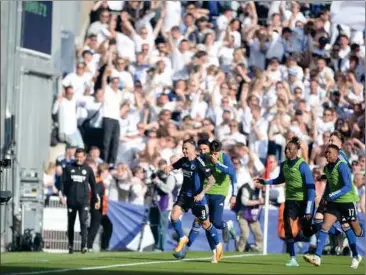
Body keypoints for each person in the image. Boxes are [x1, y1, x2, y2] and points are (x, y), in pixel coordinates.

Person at [255, 137, 315, 267]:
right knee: (288, 227)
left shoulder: (303, 165)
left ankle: (327, 230)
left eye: (290, 149)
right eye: (286, 149)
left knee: (307, 231)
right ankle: (293, 258)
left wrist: (309, 208)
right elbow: (280, 179)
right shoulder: (284, 165)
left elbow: (311, 187)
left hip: (304, 201)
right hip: (291, 201)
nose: (286, 151)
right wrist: (267, 182)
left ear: (296, 151)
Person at [304, 144, 364, 269]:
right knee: (324, 226)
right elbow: (331, 182)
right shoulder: (327, 168)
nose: (327, 154)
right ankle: (317, 257)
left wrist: (332, 195)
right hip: (335, 202)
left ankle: (356, 255)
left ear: (337, 155)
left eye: (330, 152)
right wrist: (325, 197)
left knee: (356, 231)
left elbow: (347, 186)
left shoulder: (342, 166)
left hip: (347, 201)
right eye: (326, 152)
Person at [164, 139, 223, 262]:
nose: (184, 150)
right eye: (183, 148)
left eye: (186, 148)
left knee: (205, 223)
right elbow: (172, 166)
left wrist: (202, 193)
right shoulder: (183, 161)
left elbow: (211, 180)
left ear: (193, 149)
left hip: (197, 197)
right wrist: (167, 168)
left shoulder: (199, 162)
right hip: (184, 196)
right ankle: (182, 238)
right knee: (174, 216)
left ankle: (218, 245)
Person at [185, 139, 237, 263]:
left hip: (220, 193)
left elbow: (232, 173)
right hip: (206, 192)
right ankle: (214, 252)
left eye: (215, 153)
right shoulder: (204, 157)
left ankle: (226, 225)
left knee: (216, 222)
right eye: (211, 153)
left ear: (219, 151)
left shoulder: (224, 158)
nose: (213, 156)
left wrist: (234, 195)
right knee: (206, 223)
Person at [313, 130, 360, 263]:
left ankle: (354, 254)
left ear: (340, 143)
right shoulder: (331, 160)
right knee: (318, 220)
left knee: (346, 225)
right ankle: (334, 239)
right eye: (329, 140)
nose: (330, 142)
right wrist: (322, 177)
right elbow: (332, 176)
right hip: (331, 196)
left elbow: (345, 181)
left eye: (332, 141)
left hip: (343, 197)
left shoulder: (341, 159)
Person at [59, 148, 100, 254]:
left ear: (84, 157)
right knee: (71, 223)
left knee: (83, 221)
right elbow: (63, 184)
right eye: (77, 156)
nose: (79, 159)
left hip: (84, 201)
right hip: (72, 200)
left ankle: (83, 245)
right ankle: (71, 246)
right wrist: (62, 196)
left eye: (81, 157)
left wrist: (95, 199)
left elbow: (93, 186)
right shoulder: (68, 168)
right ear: (75, 156)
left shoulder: (88, 169)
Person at [87, 163, 110, 251]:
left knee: (107, 226)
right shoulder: (99, 182)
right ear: (103, 172)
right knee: (94, 227)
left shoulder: (99, 181)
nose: (108, 173)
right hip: (97, 208)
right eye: (107, 171)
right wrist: (97, 203)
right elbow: (96, 193)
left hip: (100, 208)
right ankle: (88, 246)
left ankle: (104, 246)